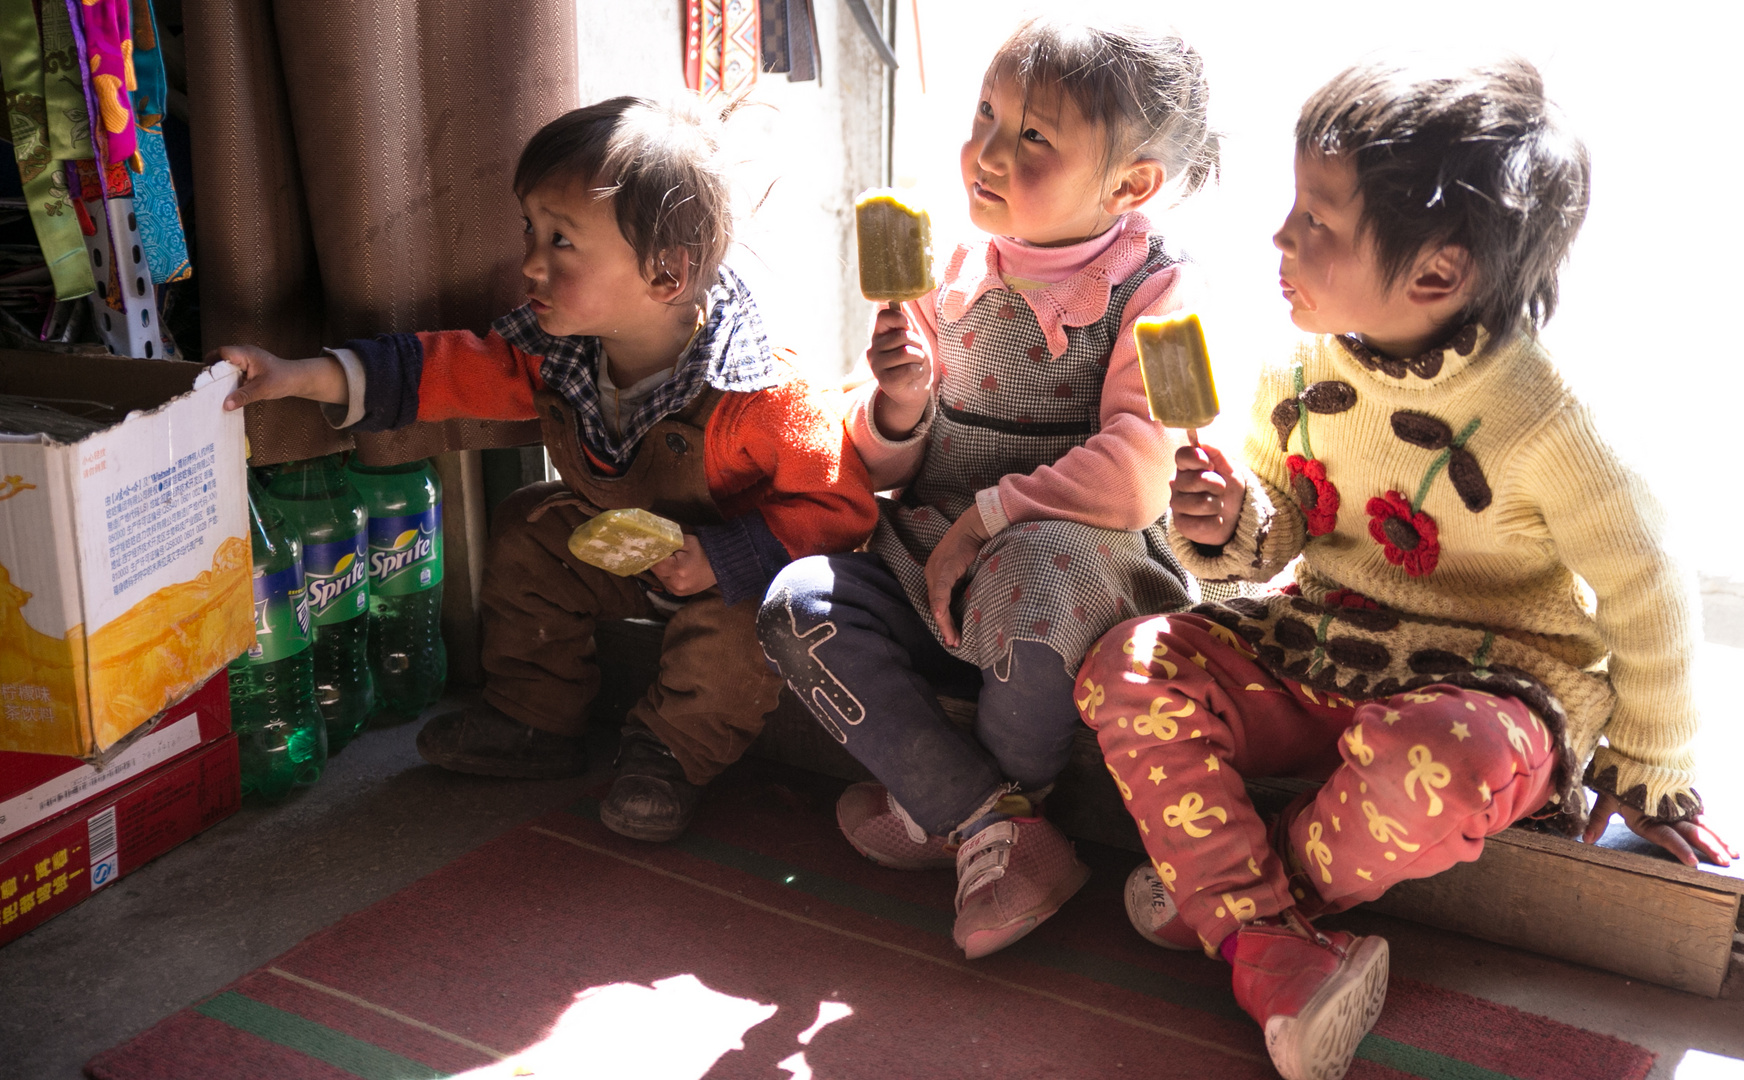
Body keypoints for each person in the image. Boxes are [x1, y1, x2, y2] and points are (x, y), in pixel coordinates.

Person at [1077, 57, 1738, 1080]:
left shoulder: (1542, 421)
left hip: (1486, 683)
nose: (1279, 237)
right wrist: (1227, 520)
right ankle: (1269, 940)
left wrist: (1651, 764)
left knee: (1451, 763)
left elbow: (1647, 583)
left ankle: (1240, 909)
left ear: (1435, 273)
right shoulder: (1298, 366)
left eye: (1316, 222)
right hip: (1318, 638)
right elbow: (1281, 521)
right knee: (1130, 660)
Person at [217, 96, 877, 843]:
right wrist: (298, 375)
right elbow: (438, 372)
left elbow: (841, 512)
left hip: (733, 579)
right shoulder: (558, 350)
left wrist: (723, 557)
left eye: (562, 242)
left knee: (740, 637)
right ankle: (535, 720)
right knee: (531, 530)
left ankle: (666, 758)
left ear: (665, 275)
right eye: (531, 229)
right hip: (630, 554)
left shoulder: (763, 394)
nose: (530, 261)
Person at [758, 18, 1216, 959]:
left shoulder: (1159, 293)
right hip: (932, 563)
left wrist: (989, 518)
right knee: (797, 602)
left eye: (1034, 137)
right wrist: (899, 402)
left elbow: (1142, 472)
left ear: (1130, 185)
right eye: (985, 115)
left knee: (1036, 569)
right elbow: (884, 469)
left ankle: (978, 811)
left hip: (1075, 575)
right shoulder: (943, 272)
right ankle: (984, 820)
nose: (989, 153)